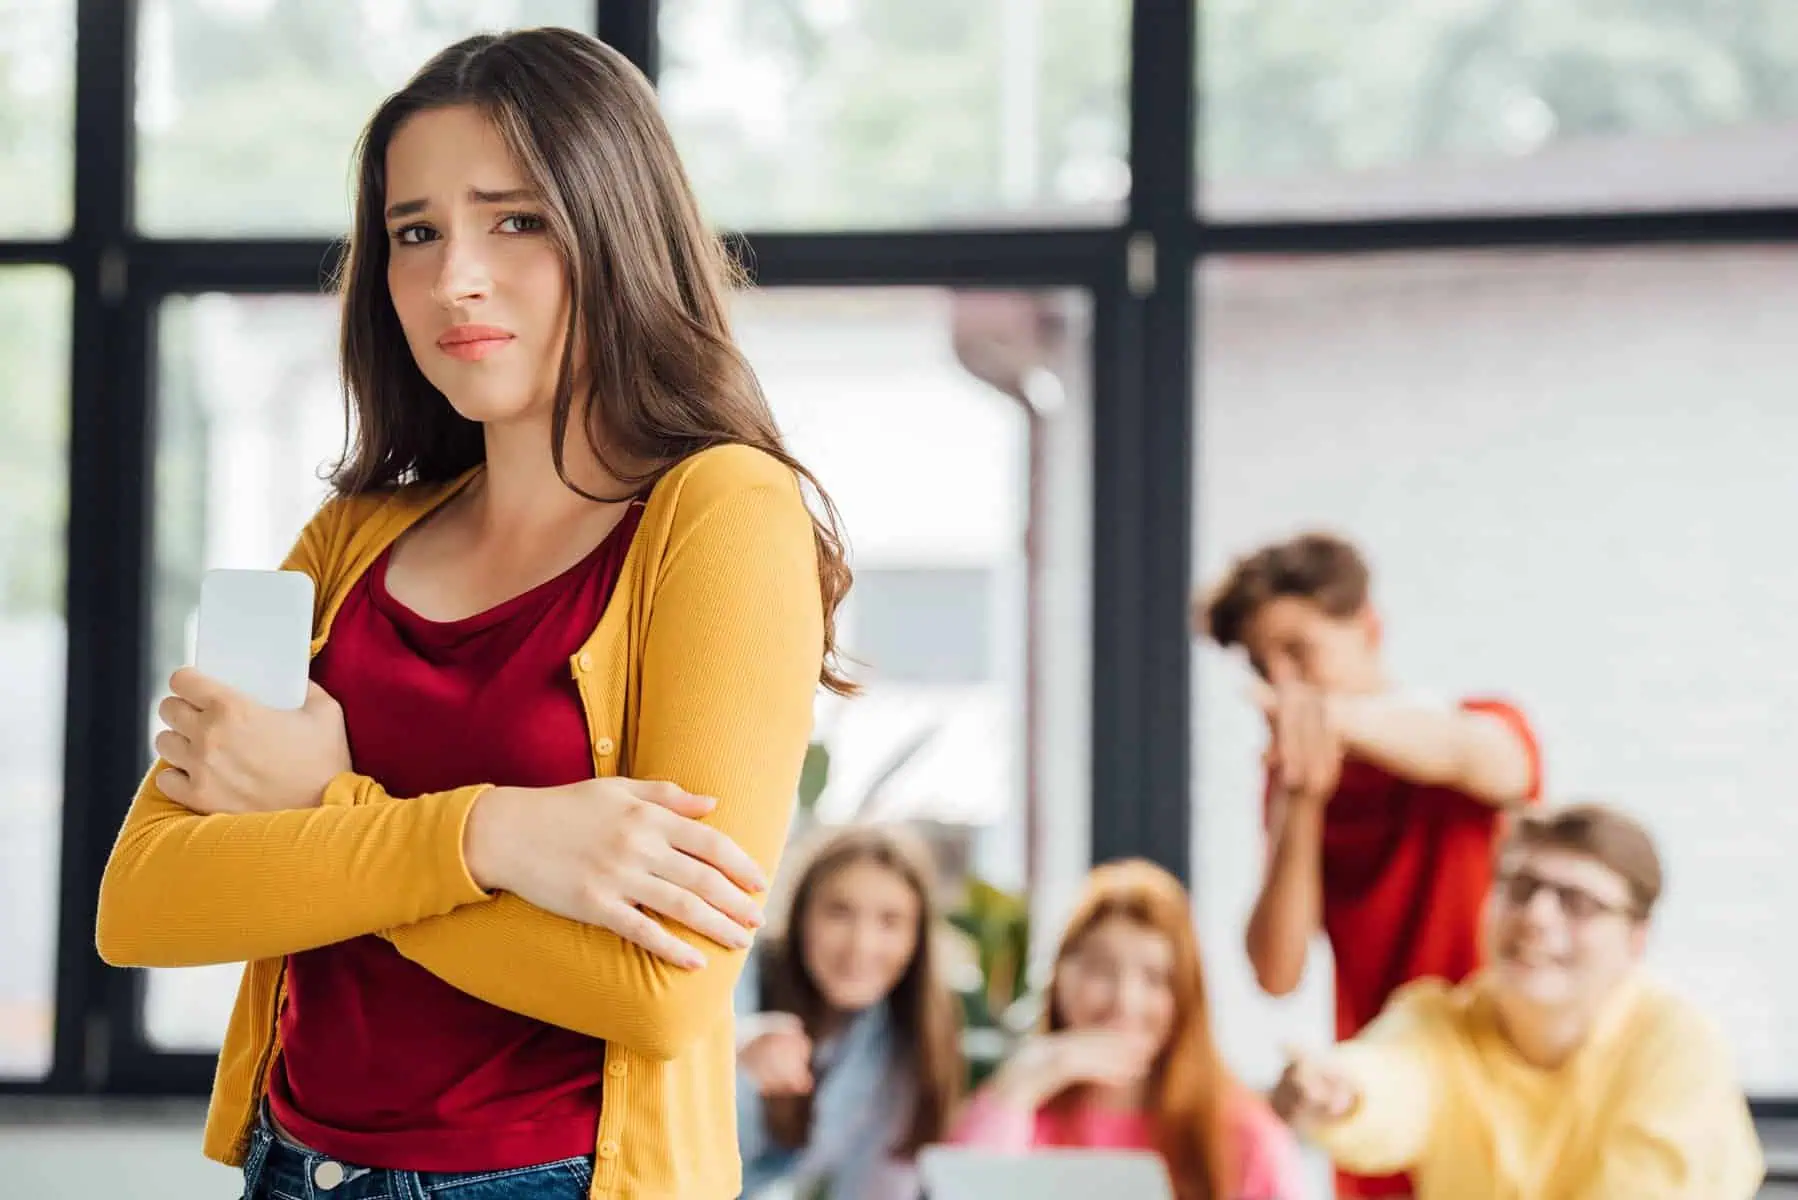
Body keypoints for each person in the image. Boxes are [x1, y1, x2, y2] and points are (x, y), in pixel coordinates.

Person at [95, 27, 849, 1200]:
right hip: (293, 1169)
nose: (454, 277)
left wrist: (319, 810)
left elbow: (659, 992)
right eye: (414, 232)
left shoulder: (724, 513)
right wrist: (492, 837)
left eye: (516, 219)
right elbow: (146, 903)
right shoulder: (350, 540)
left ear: (615, 228)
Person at [1198, 532, 1542, 1198]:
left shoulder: (1472, 726)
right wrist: (1301, 798)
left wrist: (1333, 719)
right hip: (1373, 1105)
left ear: (1369, 628)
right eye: (1266, 667)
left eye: (1299, 651)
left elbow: (1497, 762)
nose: (1284, 683)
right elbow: (1277, 971)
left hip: (1493, 1098)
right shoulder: (1293, 786)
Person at [1272, 803, 1764, 1198]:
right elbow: (1394, 1081)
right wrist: (1342, 1095)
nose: (1537, 916)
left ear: (1636, 940)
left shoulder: (1678, 1047)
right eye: (1521, 888)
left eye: (1577, 903)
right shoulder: (1441, 1022)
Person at [952, 860, 1303, 1200]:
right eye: (1100, 968)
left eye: (1154, 978)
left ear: (1185, 995)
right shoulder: (1017, 1114)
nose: (1125, 1001)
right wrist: (1023, 1083)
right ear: (1059, 976)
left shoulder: (1239, 1131)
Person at [735, 824, 963, 1200]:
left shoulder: (901, 1040)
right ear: (801, 914)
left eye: (890, 921)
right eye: (839, 913)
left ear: (916, 939)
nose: (861, 946)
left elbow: (877, 1187)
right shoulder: (739, 975)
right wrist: (735, 1051)